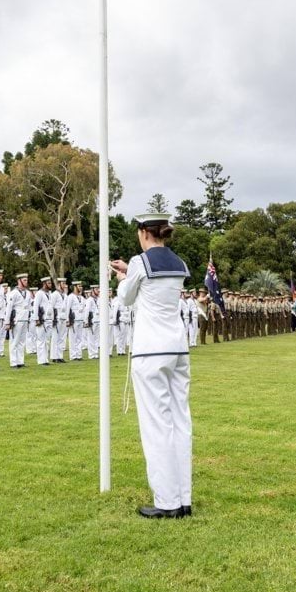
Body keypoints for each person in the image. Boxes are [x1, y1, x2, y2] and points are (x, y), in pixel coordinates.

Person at [111, 213, 193, 518]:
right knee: (180, 422)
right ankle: (183, 498)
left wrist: (122, 276)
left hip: (150, 352)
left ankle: (167, 501)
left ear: (144, 233)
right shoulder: (179, 263)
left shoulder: (139, 263)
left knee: (157, 426)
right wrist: (128, 272)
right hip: (178, 348)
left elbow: (126, 298)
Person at [7, 273, 33, 369]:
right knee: (14, 341)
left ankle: (20, 361)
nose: (26, 282)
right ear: (19, 281)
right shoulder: (13, 293)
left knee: (22, 342)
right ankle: (13, 362)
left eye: (27, 280)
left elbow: (30, 307)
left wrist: (29, 318)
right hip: (16, 320)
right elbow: (9, 308)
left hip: (25, 319)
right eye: (24, 280)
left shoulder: (28, 293)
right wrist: (7, 322)